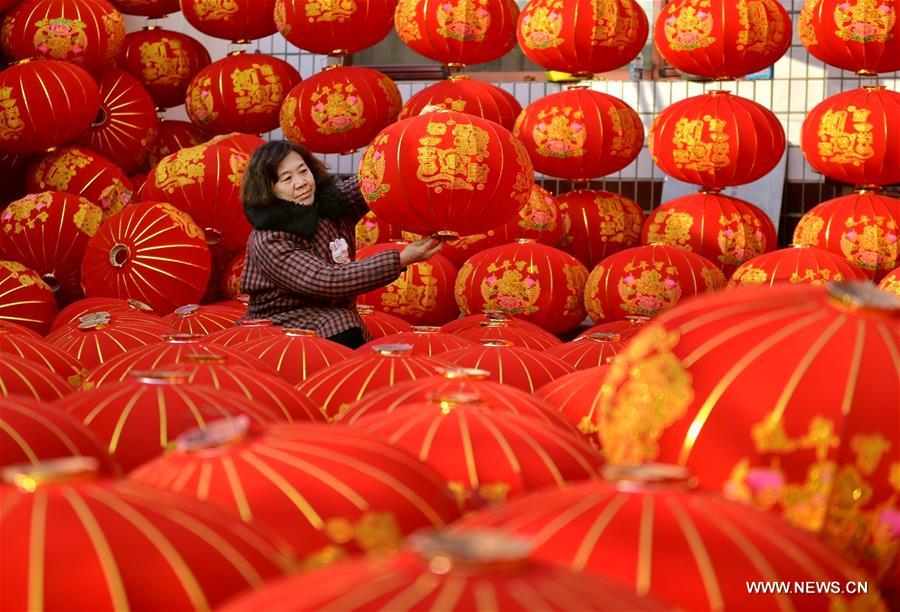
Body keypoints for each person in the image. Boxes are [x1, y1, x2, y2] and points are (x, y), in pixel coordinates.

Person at [240, 140, 442, 349]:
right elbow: (326, 279)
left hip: (333, 320)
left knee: (343, 322)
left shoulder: (330, 204)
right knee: (342, 323)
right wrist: (401, 259)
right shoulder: (269, 239)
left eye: (303, 171)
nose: (301, 182)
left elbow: (372, 183)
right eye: (287, 179)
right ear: (268, 190)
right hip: (279, 330)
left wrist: (415, 141)